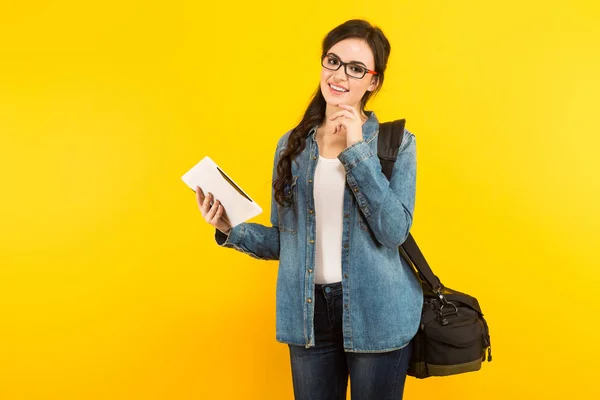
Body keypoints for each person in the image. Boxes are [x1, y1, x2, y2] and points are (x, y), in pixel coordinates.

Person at [194, 19, 422, 400]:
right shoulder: (292, 146)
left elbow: (394, 231)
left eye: (355, 68)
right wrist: (230, 227)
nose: (339, 75)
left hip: (378, 313)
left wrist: (356, 151)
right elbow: (286, 241)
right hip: (307, 315)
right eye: (332, 61)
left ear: (373, 82)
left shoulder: (395, 143)